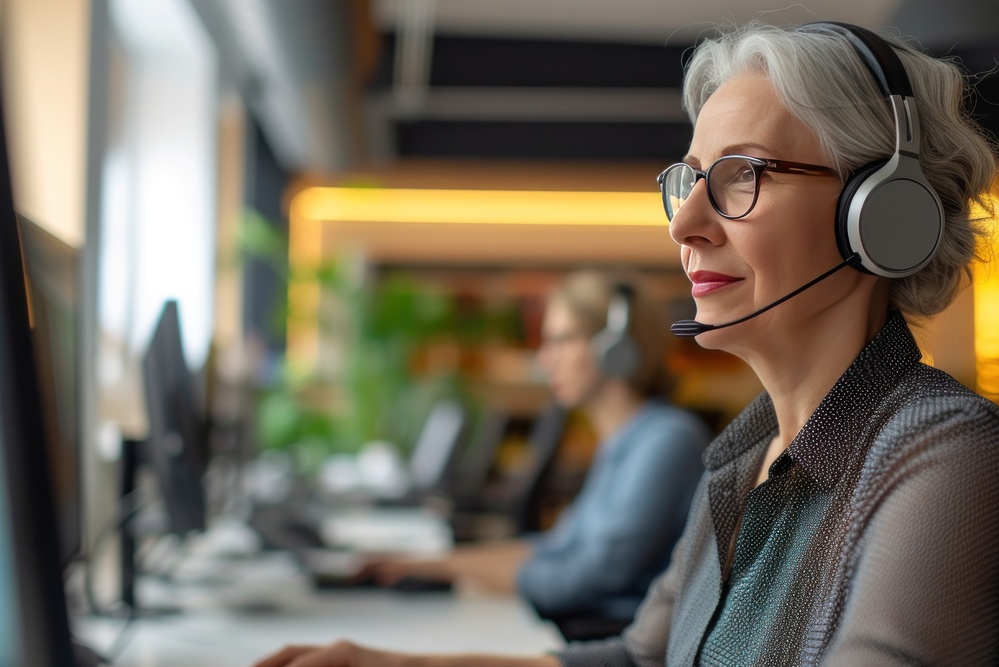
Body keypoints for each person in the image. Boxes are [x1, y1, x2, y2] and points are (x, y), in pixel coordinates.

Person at [252, 20, 999, 667]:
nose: (684, 225)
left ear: (880, 214)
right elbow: (639, 658)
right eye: (690, 181)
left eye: (741, 175)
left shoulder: (945, 456)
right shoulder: (741, 456)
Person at [358, 270, 710, 639]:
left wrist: (465, 578)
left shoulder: (667, 440)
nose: (545, 361)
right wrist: (428, 565)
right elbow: (554, 550)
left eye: (560, 341)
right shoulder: (624, 441)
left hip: (609, 643)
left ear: (614, 346)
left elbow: (586, 578)